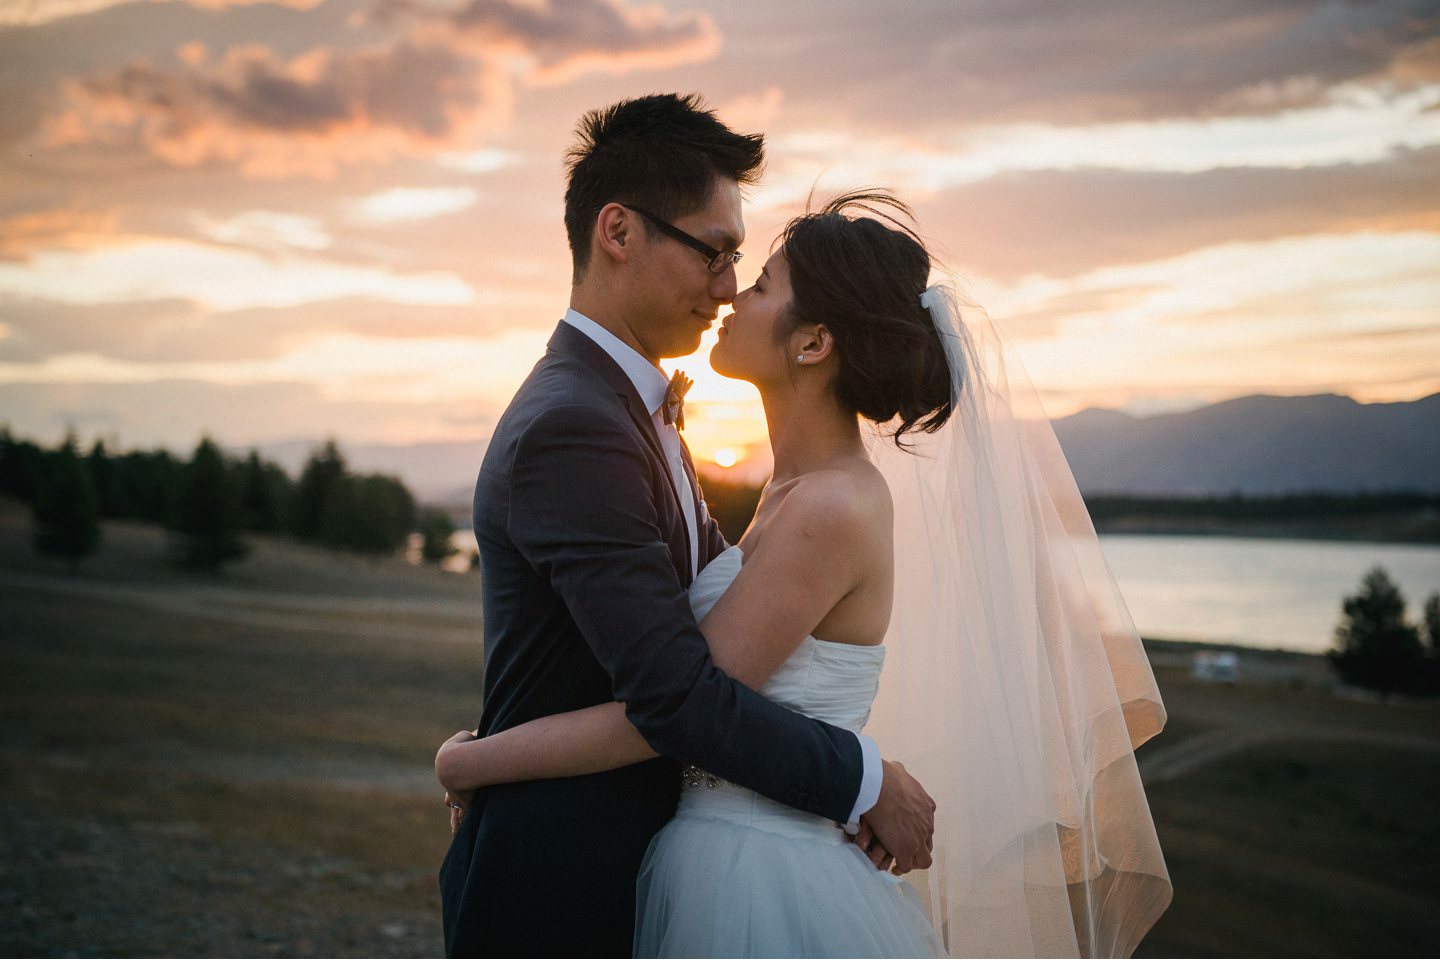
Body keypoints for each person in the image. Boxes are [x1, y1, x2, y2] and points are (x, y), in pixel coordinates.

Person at [438, 190, 1174, 957]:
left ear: (814, 343)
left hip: (760, 878)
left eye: (760, 285)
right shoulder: (791, 494)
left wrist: (473, 759)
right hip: (722, 849)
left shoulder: (832, 507)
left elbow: (678, 708)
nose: (732, 293)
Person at [436, 95, 938, 959]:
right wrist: (861, 778)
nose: (728, 286)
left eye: (747, 268)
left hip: (678, 870)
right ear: (618, 232)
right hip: (559, 878)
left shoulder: (639, 417)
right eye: (716, 252)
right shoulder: (578, 424)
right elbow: (677, 695)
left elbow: (686, 680)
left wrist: (473, 759)